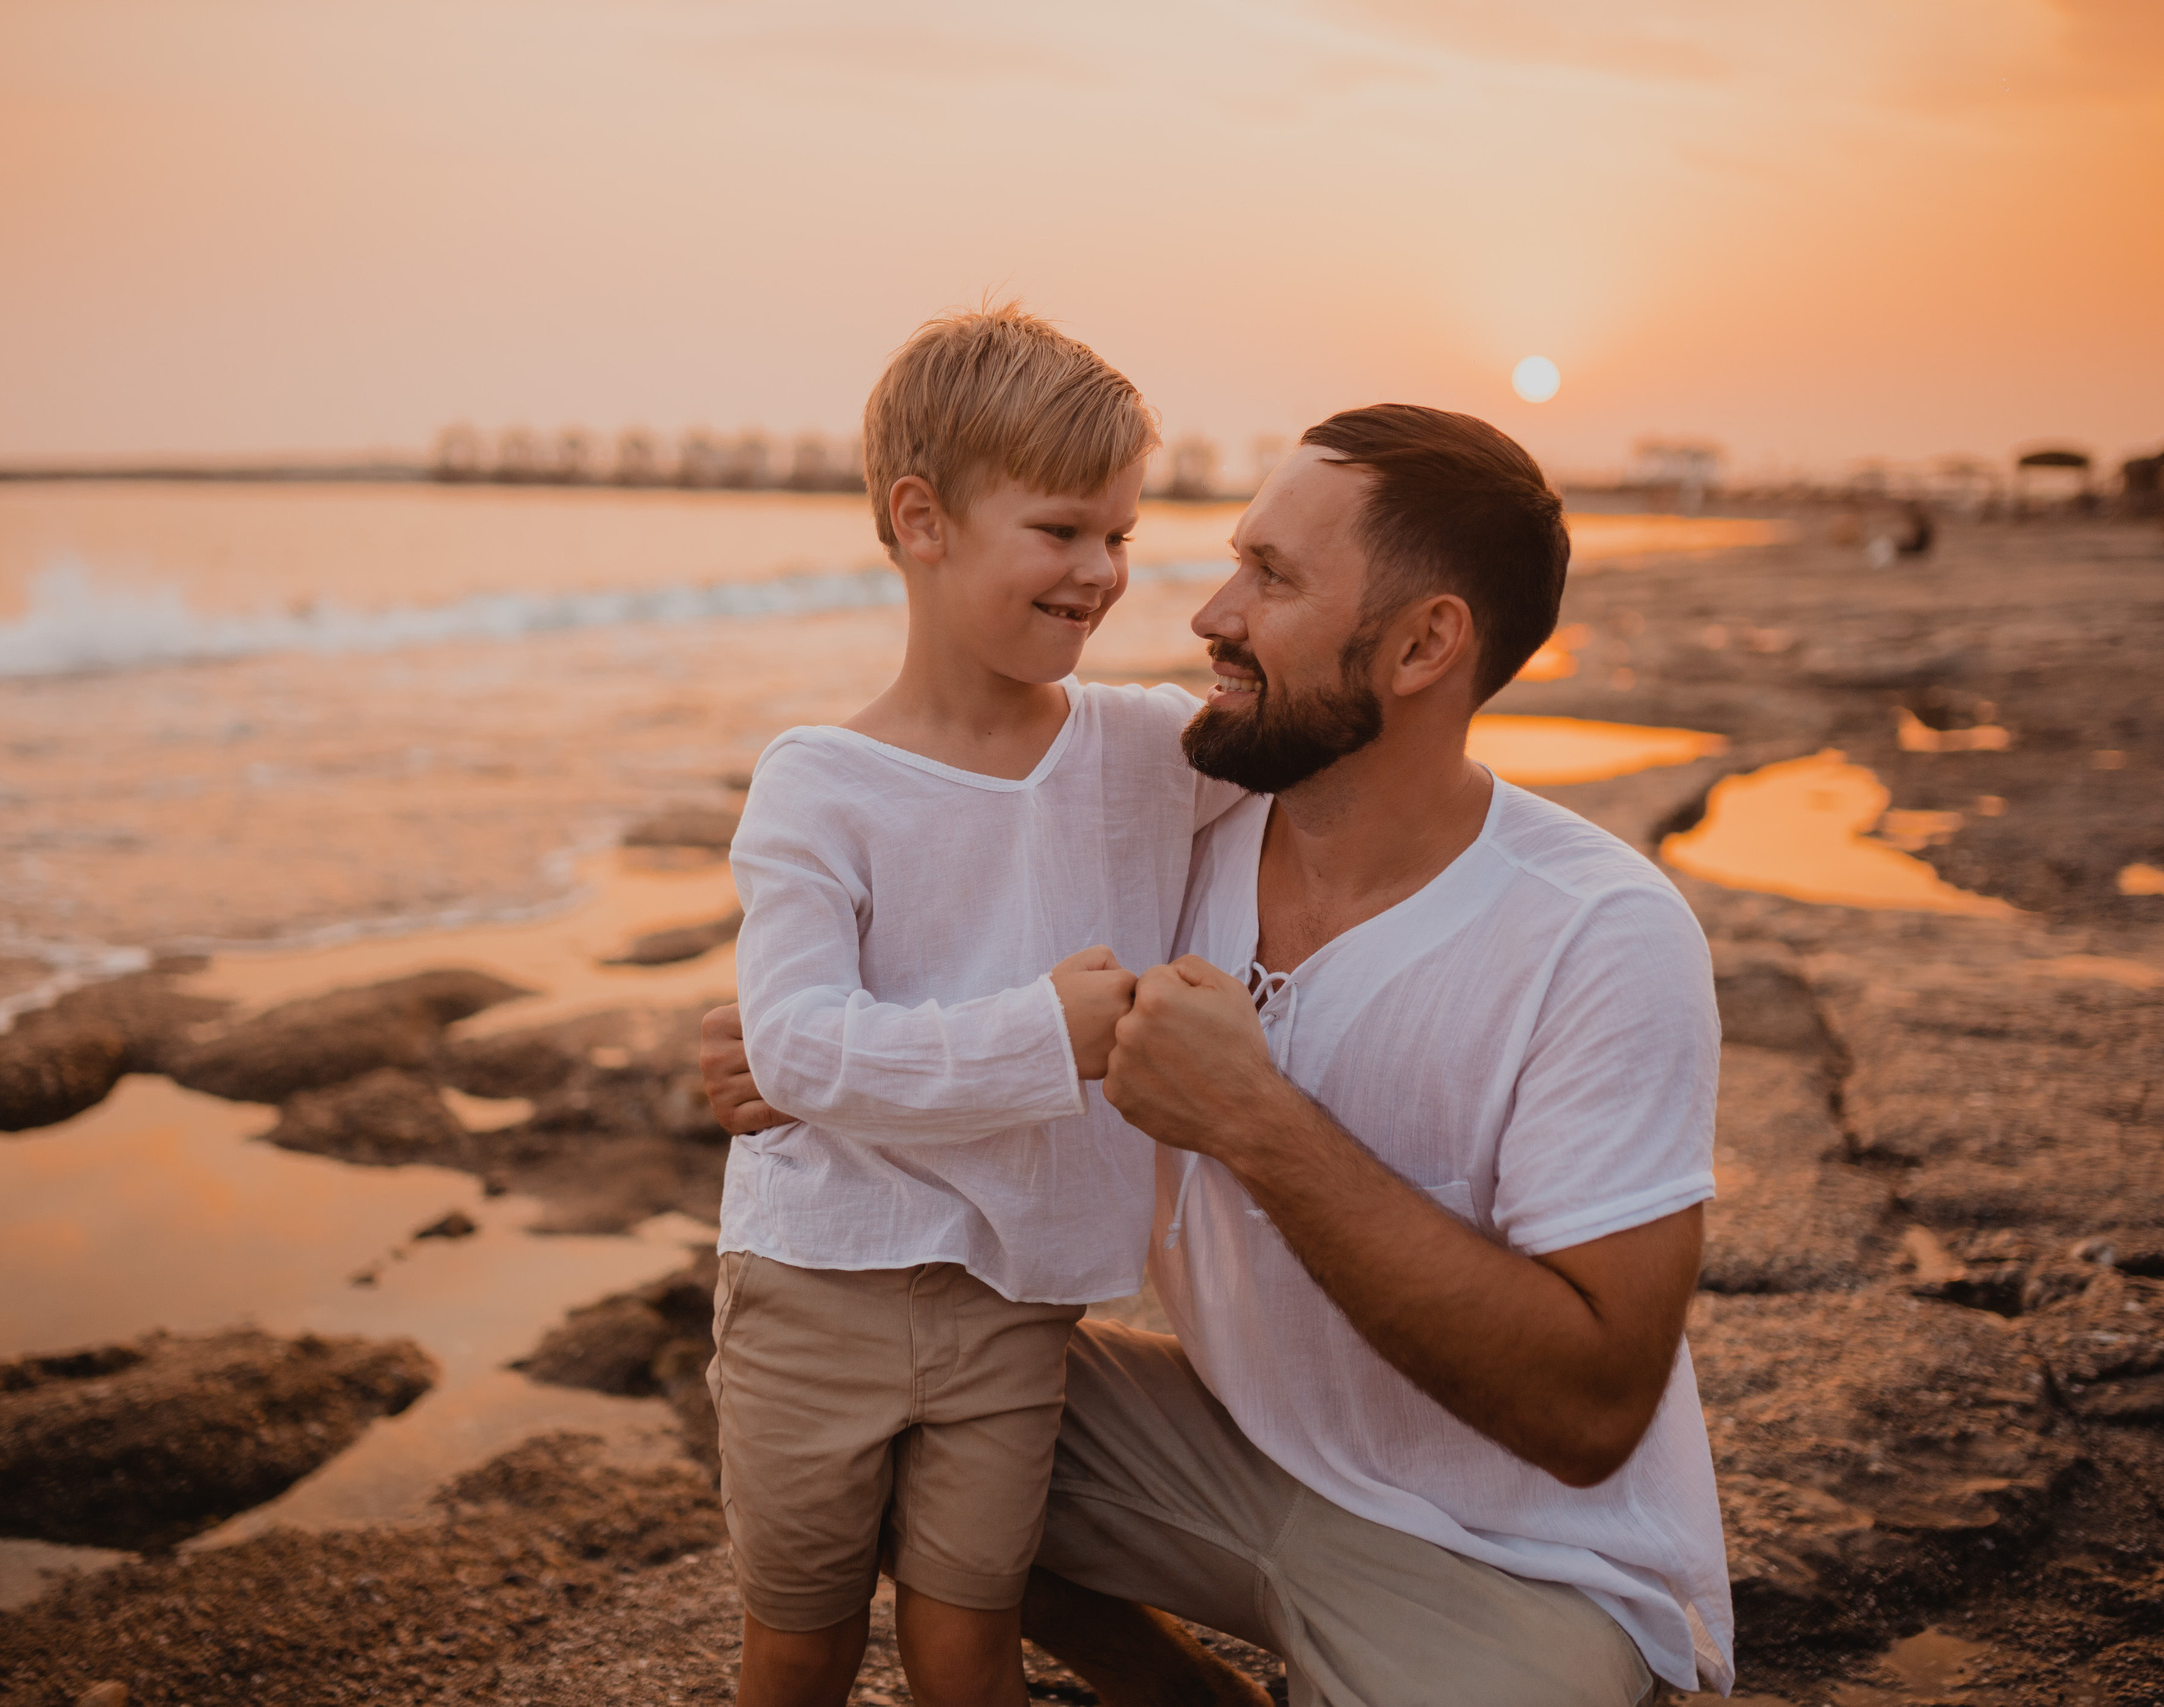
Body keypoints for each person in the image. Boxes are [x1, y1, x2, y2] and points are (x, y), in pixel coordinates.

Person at [705, 404, 1732, 1705]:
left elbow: (1591, 1413)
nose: (1207, 610)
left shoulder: (1599, 934)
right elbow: (941, 919)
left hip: (1515, 1556)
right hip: (1226, 1453)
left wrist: (1256, 1120)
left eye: (1274, 578)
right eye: (1234, 558)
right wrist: (781, 1038)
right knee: (888, 1420)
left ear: (1425, 644)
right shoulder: (1167, 830)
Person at [711, 303, 1236, 1707]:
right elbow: (799, 1044)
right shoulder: (820, 781)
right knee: (801, 1647)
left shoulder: (1148, 749)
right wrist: (1040, 1037)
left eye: (1122, 535)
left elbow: (1322, 759)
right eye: (1063, 531)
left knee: (967, 1647)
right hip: (818, 1280)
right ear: (922, 519)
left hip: (1018, 1300)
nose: (1105, 572)